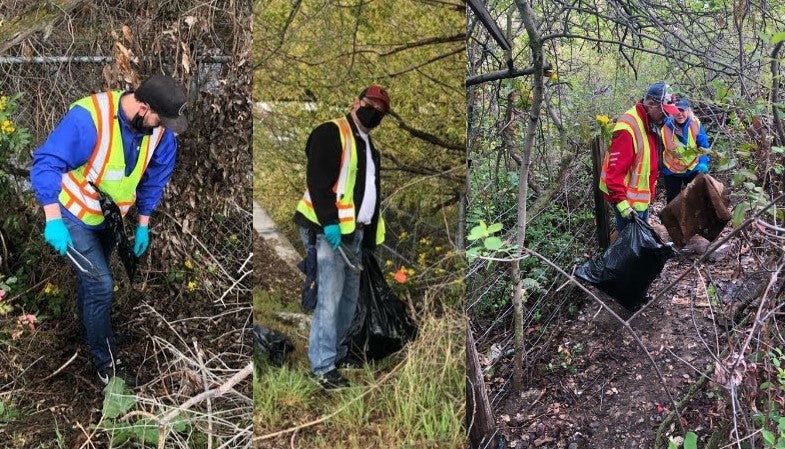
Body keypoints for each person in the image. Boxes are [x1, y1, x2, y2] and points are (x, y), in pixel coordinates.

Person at [30, 75, 188, 388]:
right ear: (143, 108)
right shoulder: (89, 120)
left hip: (107, 217)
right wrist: (52, 219)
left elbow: (156, 176)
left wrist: (143, 224)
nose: (165, 127)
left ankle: (91, 332)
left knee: (93, 285)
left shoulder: (158, 133)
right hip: (70, 214)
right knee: (101, 285)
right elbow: (46, 164)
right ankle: (107, 367)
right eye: (161, 119)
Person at [293, 85, 388, 389]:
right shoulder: (331, 133)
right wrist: (329, 223)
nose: (374, 113)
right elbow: (318, 182)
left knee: (348, 300)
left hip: (355, 235)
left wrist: (370, 237)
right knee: (330, 300)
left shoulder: (368, 145)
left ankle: (338, 354)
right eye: (370, 105)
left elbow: (370, 191)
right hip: (329, 232)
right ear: (356, 102)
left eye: (381, 111)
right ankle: (322, 367)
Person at [599, 82, 680, 232]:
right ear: (650, 104)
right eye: (664, 111)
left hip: (640, 201)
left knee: (641, 244)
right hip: (628, 205)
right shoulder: (627, 130)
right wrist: (623, 206)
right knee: (631, 249)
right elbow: (614, 174)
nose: (667, 116)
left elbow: (645, 162)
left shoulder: (650, 122)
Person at [661, 98, 711, 203]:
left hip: (693, 166)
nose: (679, 114)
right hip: (672, 169)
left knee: (698, 197)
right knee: (673, 200)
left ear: (688, 111)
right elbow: (665, 148)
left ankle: (696, 218)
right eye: (676, 111)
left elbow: (704, 145)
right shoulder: (666, 127)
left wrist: (703, 162)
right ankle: (674, 219)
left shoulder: (695, 123)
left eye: (682, 110)